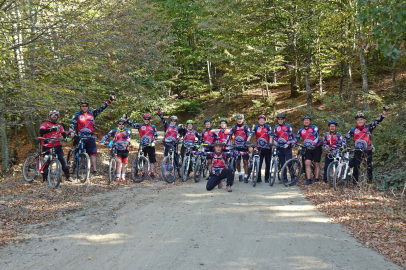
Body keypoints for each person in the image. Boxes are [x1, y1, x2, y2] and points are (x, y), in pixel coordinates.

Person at [69, 95, 115, 176]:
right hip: (80, 136)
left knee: (93, 153)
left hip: (90, 136)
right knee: (82, 151)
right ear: (80, 107)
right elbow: (72, 124)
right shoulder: (77, 115)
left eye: (86, 106)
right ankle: (82, 168)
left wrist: (109, 101)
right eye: (83, 106)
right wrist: (71, 132)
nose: (84, 107)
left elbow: (102, 108)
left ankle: (94, 170)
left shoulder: (92, 113)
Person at [342, 105, 389, 185]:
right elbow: (345, 139)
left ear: (364, 120)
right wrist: (344, 146)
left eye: (361, 119)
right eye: (358, 120)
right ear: (356, 121)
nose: (360, 121)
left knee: (369, 168)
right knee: (356, 167)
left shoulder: (369, 127)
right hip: (357, 151)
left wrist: (385, 111)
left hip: (368, 150)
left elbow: (378, 120)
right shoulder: (353, 130)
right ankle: (355, 184)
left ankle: (369, 184)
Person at [40, 110, 73, 182]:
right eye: (52, 114)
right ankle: (44, 180)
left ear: (58, 116)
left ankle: (68, 177)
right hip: (47, 146)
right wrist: (51, 129)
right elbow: (41, 131)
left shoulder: (59, 126)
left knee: (63, 161)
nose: (54, 116)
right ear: (50, 116)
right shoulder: (45, 124)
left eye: (56, 115)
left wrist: (68, 138)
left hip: (57, 146)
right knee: (46, 163)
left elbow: (64, 134)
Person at [123, 113, 158, 179]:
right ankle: (143, 173)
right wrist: (126, 119)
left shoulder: (153, 127)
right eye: (145, 119)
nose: (146, 120)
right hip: (142, 145)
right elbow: (132, 125)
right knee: (142, 159)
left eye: (148, 119)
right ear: (143, 119)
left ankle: (152, 174)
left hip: (150, 145)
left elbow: (156, 136)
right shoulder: (140, 126)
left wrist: (154, 142)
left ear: (149, 120)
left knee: (152, 160)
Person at [293, 115, 323, 185]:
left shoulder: (314, 128)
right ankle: (308, 179)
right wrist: (293, 143)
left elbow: (316, 137)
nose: (306, 121)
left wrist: (313, 144)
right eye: (305, 120)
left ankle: (316, 178)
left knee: (316, 163)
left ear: (310, 121)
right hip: (307, 148)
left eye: (307, 120)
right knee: (307, 163)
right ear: (303, 122)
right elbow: (297, 138)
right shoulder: (301, 130)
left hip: (316, 148)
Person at [247, 114, 273, 183]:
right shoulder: (255, 127)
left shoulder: (268, 127)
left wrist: (270, 143)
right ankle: (258, 178)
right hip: (259, 148)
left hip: (267, 148)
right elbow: (251, 134)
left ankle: (267, 178)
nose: (261, 121)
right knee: (259, 163)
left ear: (265, 121)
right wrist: (247, 141)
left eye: (263, 120)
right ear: (258, 121)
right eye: (260, 120)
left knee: (268, 163)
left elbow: (271, 136)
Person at [227, 114, 251, 183]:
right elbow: (229, 134)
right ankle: (240, 175)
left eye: (240, 119)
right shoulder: (234, 127)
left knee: (245, 162)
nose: (239, 120)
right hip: (237, 147)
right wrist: (226, 141)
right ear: (236, 120)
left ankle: (246, 176)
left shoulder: (246, 127)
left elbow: (249, 135)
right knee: (238, 162)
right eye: (238, 119)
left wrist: (248, 142)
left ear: (243, 120)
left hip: (244, 147)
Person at [273, 113, 294, 184]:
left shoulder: (288, 126)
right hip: (280, 147)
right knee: (282, 163)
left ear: (284, 120)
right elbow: (275, 137)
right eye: (279, 119)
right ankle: (284, 178)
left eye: (281, 119)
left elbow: (291, 137)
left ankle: (293, 177)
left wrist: (288, 144)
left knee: (289, 162)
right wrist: (275, 143)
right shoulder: (276, 127)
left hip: (287, 147)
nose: (280, 120)